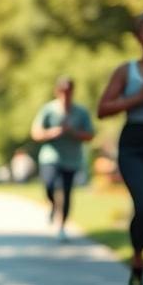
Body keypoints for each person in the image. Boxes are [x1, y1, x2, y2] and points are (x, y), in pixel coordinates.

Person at [97, 10, 143, 285]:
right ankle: (136, 258)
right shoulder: (127, 71)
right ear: (139, 37)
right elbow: (103, 108)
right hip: (135, 145)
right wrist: (136, 99)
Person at [30, 76, 94, 242]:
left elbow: (90, 135)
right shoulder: (48, 110)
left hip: (72, 158)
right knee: (49, 185)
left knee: (67, 192)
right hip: (51, 156)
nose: (65, 94)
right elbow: (35, 133)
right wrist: (54, 132)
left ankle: (62, 227)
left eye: (69, 91)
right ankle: (52, 205)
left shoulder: (81, 112)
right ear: (57, 91)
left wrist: (72, 132)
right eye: (62, 91)